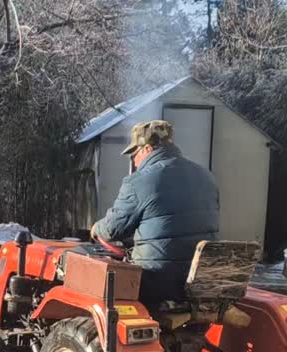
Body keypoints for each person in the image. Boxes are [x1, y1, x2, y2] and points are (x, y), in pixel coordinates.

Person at [90, 119, 219, 306]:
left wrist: (96, 228)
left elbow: (113, 229)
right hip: (201, 279)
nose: (134, 161)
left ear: (147, 149)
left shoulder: (139, 181)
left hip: (157, 281)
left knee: (93, 286)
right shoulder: (207, 176)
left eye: (134, 154)